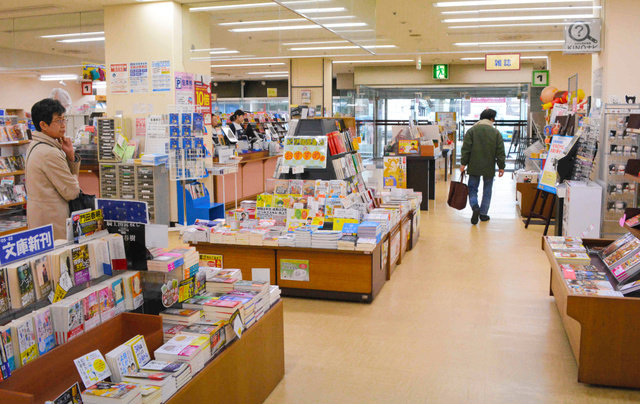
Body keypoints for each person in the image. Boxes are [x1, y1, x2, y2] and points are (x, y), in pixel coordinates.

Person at [26, 98, 81, 239]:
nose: (63, 125)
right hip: (54, 222)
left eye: (64, 120)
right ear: (43, 125)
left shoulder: (34, 146)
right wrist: (74, 177)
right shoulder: (49, 152)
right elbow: (72, 192)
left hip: (40, 221)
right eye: (58, 121)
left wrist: (70, 157)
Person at [460, 108, 506, 225]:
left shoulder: (472, 131)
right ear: (491, 119)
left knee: (472, 189)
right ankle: (483, 214)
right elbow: (500, 151)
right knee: (487, 190)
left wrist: (463, 163)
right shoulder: (496, 133)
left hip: (474, 166)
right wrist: (501, 166)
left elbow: (466, 149)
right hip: (489, 166)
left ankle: (475, 207)